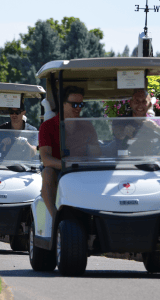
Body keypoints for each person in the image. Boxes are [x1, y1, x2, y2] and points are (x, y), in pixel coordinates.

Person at [39, 86, 101, 217]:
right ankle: (55, 217)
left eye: (81, 104)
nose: (78, 108)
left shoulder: (87, 126)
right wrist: (66, 164)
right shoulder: (47, 126)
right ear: (63, 103)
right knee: (48, 173)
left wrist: (87, 163)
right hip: (59, 169)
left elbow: (96, 154)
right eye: (74, 104)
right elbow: (46, 159)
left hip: (82, 169)